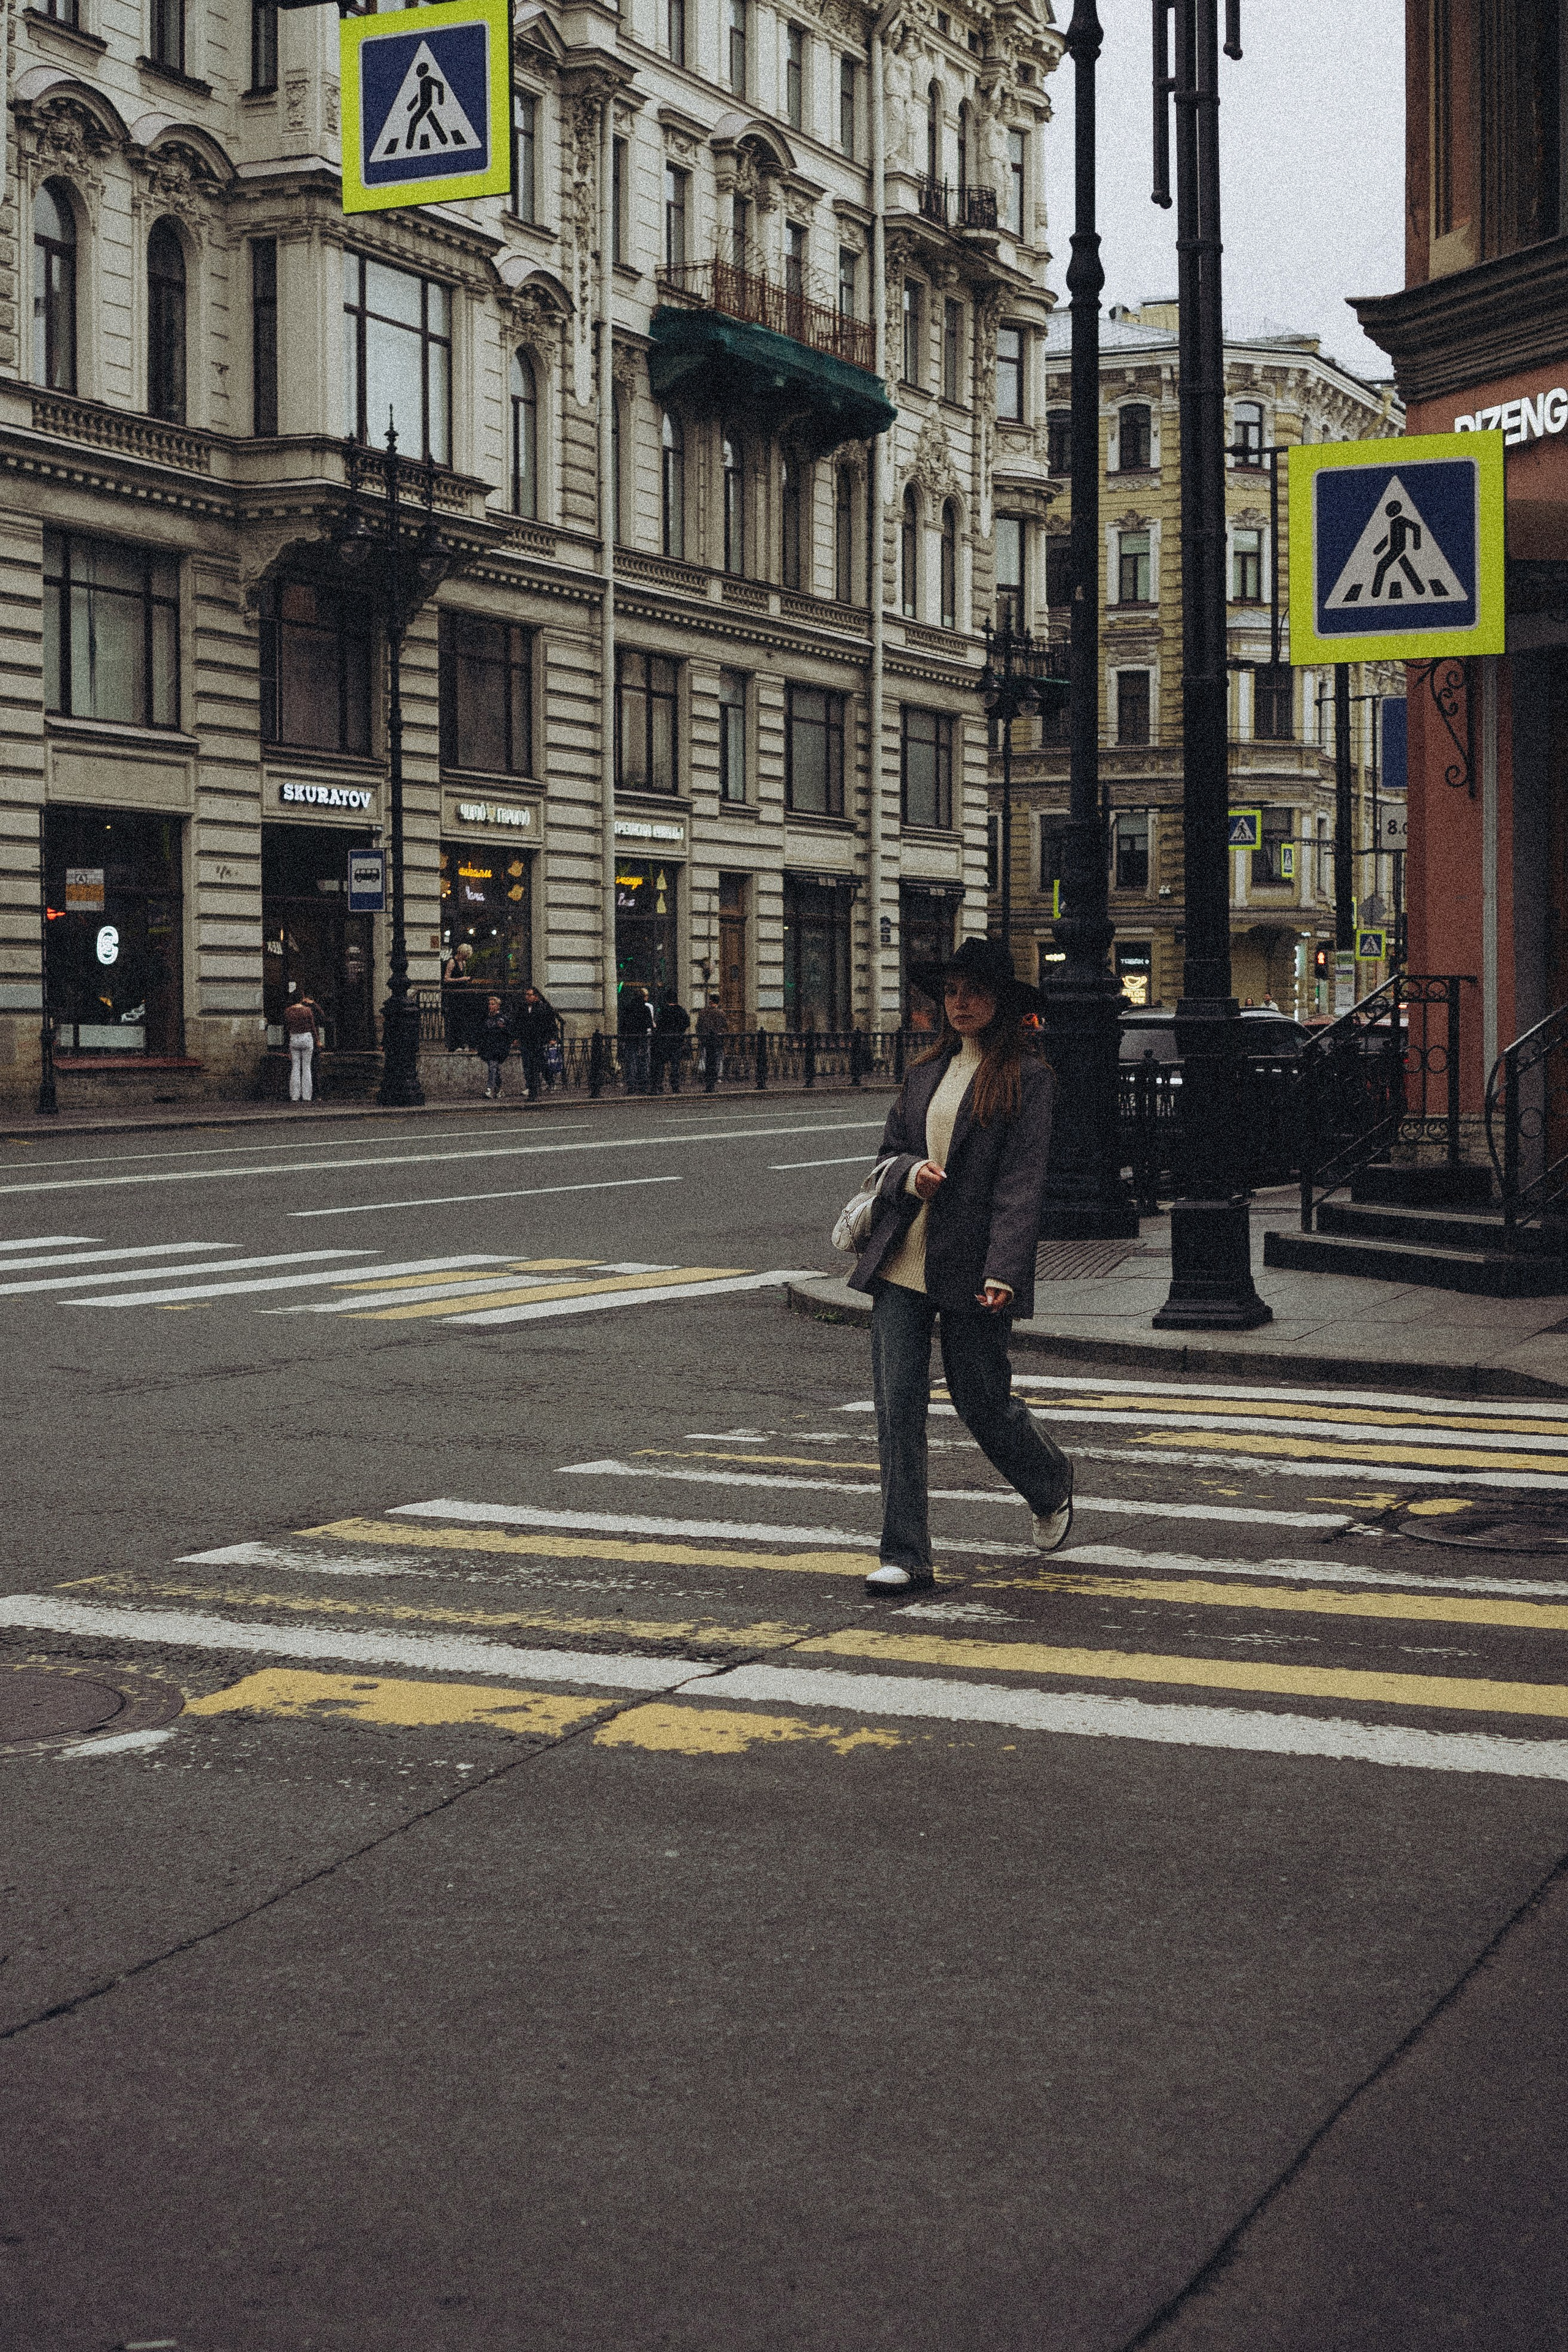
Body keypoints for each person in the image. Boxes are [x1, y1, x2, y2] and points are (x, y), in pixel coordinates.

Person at [846, 935, 1073, 1595]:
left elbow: (1021, 1183)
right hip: (902, 1262)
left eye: (973, 990)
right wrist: (910, 1172)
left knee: (981, 1403)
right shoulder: (922, 1073)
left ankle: (1049, 1480)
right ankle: (905, 1555)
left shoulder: (1028, 1078)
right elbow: (888, 1153)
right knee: (898, 1409)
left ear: (999, 1001)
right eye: (950, 991)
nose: (960, 1002)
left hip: (975, 1268)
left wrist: (1005, 1268)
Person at [514, 985, 560, 1100]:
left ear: (536, 997)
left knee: (537, 1065)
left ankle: (541, 1085)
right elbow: (518, 1024)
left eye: (530, 995)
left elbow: (550, 1024)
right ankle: (531, 1086)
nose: (527, 997)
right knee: (527, 1065)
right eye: (527, 995)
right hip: (526, 1041)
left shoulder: (543, 1008)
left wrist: (552, 1038)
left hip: (538, 1041)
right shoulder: (522, 1008)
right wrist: (516, 1038)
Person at [282, 992, 321, 1104]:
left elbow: (287, 1027)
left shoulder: (288, 1011)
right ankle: (307, 1096)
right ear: (302, 999)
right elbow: (313, 1027)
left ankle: (294, 1096)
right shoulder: (307, 1010)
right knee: (307, 1068)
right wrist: (317, 1040)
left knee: (295, 1067)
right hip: (307, 1037)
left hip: (294, 1037)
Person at [617, 983, 655, 1093]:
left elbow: (622, 1023)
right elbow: (649, 1024)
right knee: (643, 1061)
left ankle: (631, 1086)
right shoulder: (645, 1009)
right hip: (642, 1037)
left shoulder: (627, 1008)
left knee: (630, 1061)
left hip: (630, 1038)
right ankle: (643, 1084)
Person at [653, 990, 691, 1093]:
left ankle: (659, 1085)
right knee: (675, 1065)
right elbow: (687, 1023)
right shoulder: (681, 1010)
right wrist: (680, 1030)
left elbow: (658, 1024)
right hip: (677, 1041)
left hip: (664, 1041)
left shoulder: (663, 1010)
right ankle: (675, 1086)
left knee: (660, 1064)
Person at [478, 995, 513, 1099]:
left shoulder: (502, 1018)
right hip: (488, 1047)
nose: (491, 1006)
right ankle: (499, 1089)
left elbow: (509, 1032)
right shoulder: (486, 1018)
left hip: (499, 1048)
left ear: (498, 1006)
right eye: (490, 1004)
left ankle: (489, 1089)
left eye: (493, 1004)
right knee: (495, 1068)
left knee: (493, 1066)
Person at [442, 943, 474, 1050]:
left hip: (462, 995)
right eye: (465, 955)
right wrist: (461, 980)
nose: (465, 958)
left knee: (462, 1019)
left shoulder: (463, 963)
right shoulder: (452, 962)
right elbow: (446, 979)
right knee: (454, 1019)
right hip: (453, 995)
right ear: (461, 953)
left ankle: (461, 1043)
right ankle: (453, 1045)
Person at [695, 994, 727, 1092]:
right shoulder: (721, 1013)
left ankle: (705, 1077)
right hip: (717, 1041)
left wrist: (700, 1037)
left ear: (711, 1002)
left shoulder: (703, 1013)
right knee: (717, 1060)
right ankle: (715, 1078)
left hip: (705, 1040)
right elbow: (725, 1027)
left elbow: (698, 1026)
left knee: (705, 1059)